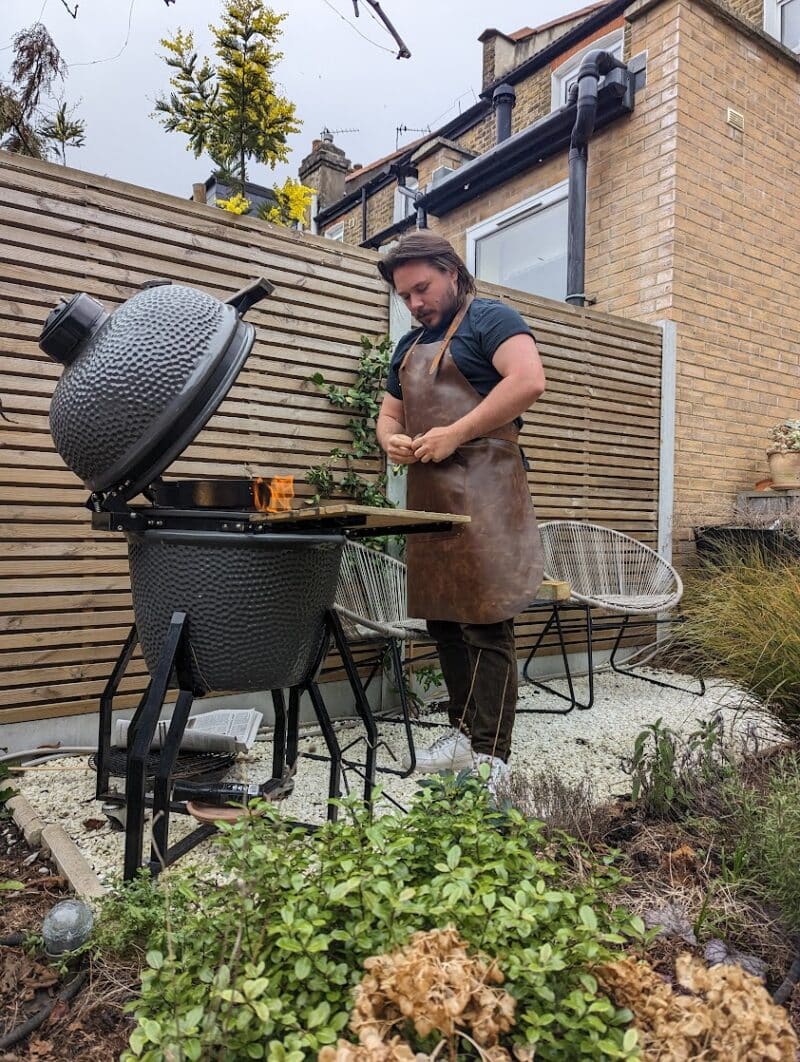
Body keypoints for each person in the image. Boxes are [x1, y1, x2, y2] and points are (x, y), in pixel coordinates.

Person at [375, 231, 545, 794]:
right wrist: (392, 441)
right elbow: (388, 417)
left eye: (422, 288)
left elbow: (527, 381)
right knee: (444, 617)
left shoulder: (491, 319)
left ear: (451, 271)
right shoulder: (406, 347)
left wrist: (456, 432)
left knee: (485, 619)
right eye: (405, 296)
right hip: (431, 490)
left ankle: (494, 755)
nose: (415, 303)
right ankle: (462, 733)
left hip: (488, 487)